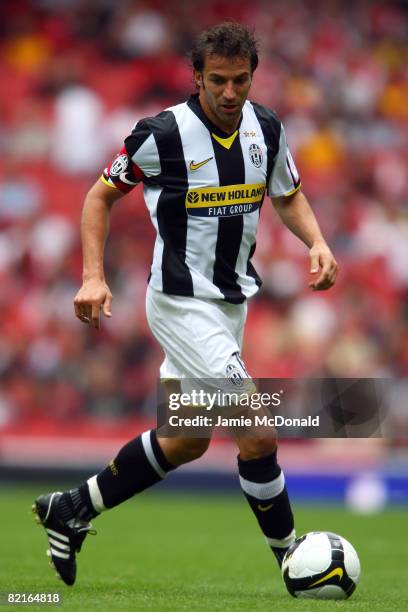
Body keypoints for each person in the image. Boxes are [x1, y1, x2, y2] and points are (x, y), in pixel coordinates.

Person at [32, 22, 338, 586]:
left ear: (252, 78)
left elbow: (287, 194)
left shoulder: (266, 128)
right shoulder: (162, 134)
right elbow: (99, 196)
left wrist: (316, 241)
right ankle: (294, 560)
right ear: (196, 78)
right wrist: (93, 276)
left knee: (188, 439)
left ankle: (72, 508)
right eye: (217, 80)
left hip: (230, 305)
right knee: (258, 427)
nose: (229, 93)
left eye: (240, 81)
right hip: (179, 303)